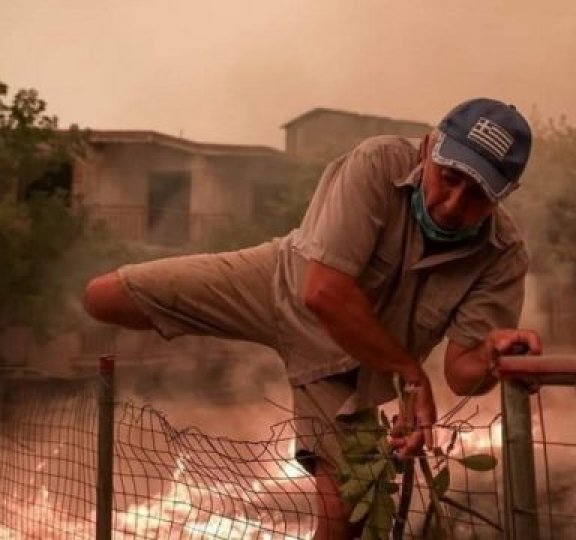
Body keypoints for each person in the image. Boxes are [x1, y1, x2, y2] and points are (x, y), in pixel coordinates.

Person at [81, 97, 542, 538]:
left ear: (503, 197)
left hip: (349, 369)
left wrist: (493, 357)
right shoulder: (376, 163)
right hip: (280, 283)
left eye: (477, 195)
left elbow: (462, 375)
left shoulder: (501, 257)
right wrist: (408, 373)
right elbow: (323, 291)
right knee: (103, 297)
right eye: (448, 177)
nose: (453, 204)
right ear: (428, 147)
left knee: (347, 512)